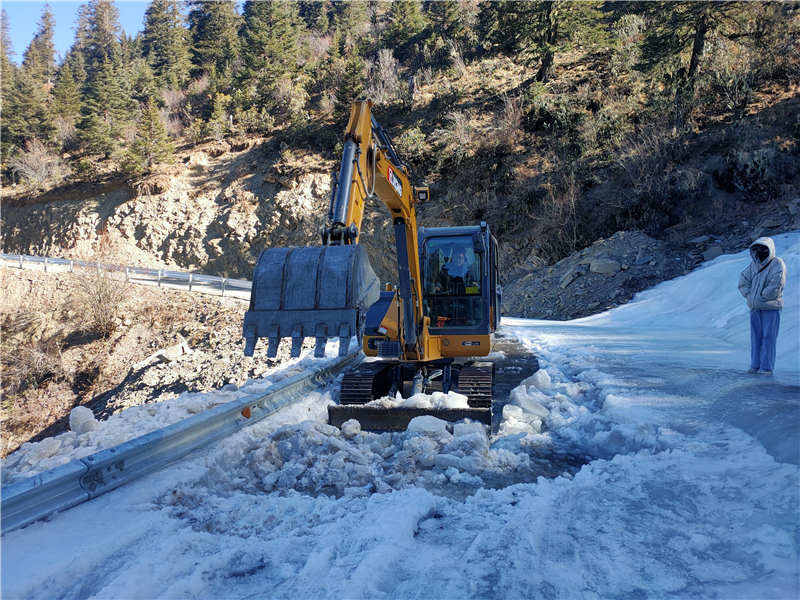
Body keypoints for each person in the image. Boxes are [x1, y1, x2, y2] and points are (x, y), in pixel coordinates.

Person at [738, 236, 786, 375]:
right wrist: (749, 295)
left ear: (770, 249)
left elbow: (777, 284)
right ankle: (755, 365)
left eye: (763, 248)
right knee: (756, 337)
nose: (759, 251)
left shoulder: (777, 263)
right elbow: (743, 281)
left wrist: (761, 297)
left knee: (768, 338)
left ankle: (766, 368)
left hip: (770, 308)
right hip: (755, 308)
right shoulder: (753, 265)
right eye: (757, 249)